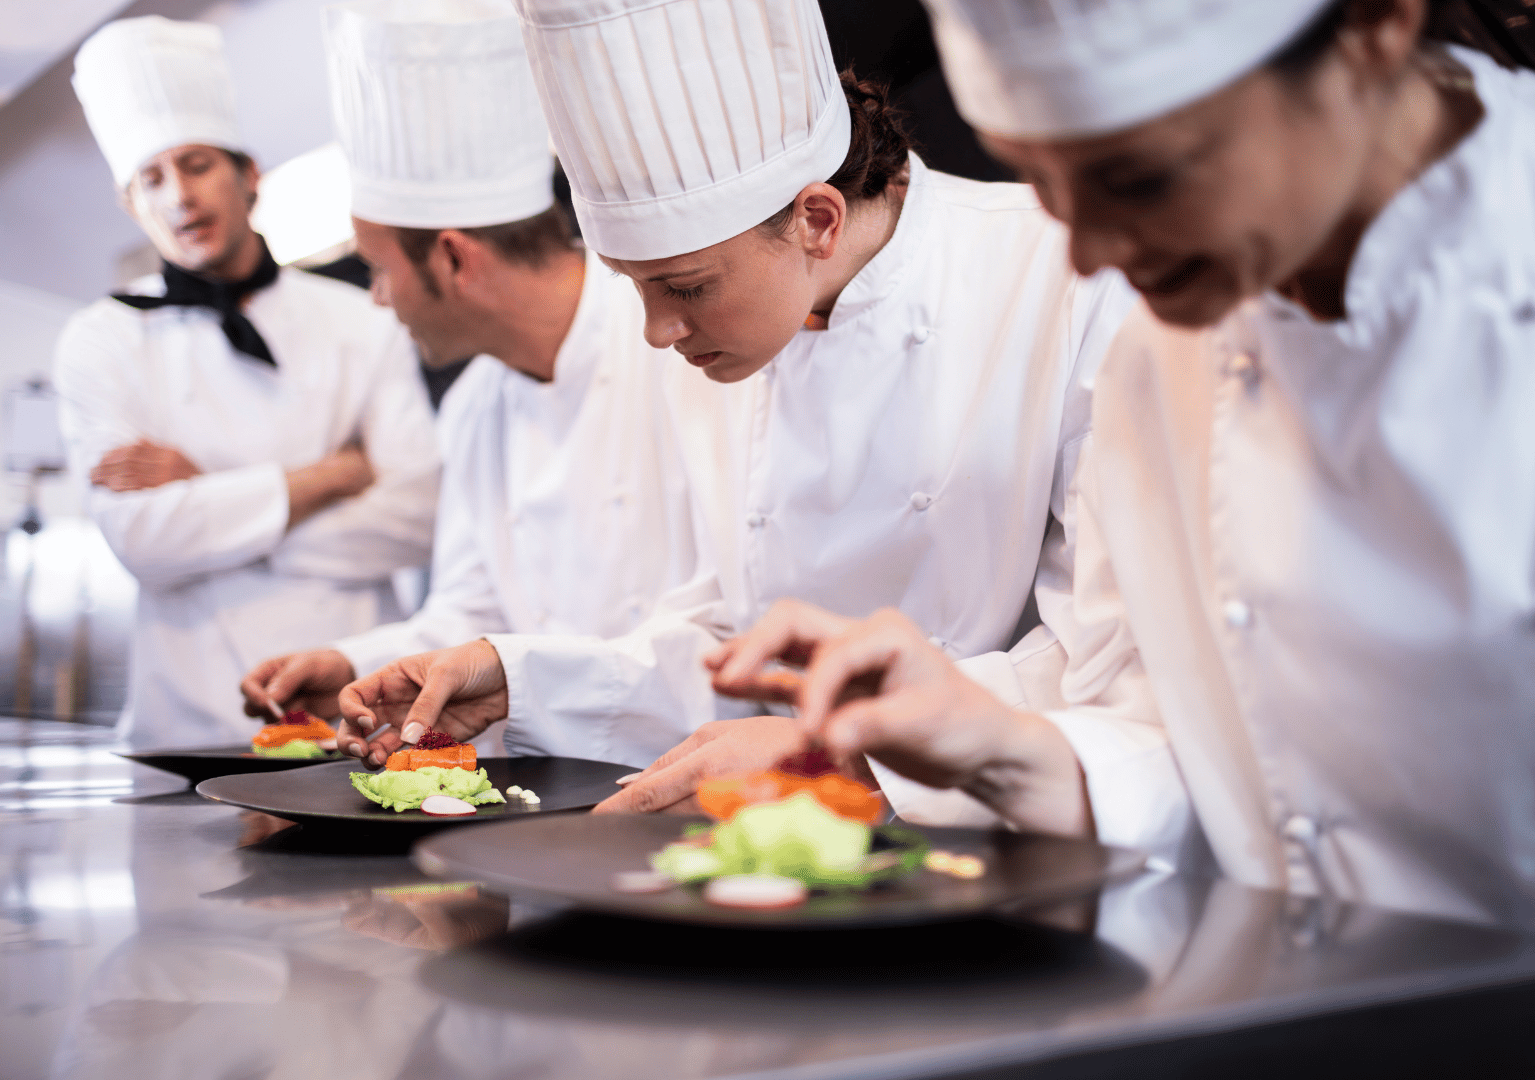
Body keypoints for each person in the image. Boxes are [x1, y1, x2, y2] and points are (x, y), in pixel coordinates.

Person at [712, 0, 1535, 930]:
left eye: (1140, 178)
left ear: (1374, 26)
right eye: (1040, 182)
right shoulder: (1161, 354)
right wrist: (995, 745)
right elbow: (1208, 763)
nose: (1091, 253)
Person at [335, 0, 1137, 814]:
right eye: (633, 287)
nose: (656, 333)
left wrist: (846, 748)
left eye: (684, 288)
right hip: (792, 833)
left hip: (1011, 835)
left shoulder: (1065, 280)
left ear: (816, 220)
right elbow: (736, 647)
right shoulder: (732, 340)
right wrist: (523, 678)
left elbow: (1106, 666)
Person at [237, 0, 713, 764]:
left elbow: (727, 623)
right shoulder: (473, 407)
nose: (377, 299)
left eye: (380, 269)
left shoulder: (687, 344)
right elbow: (467, 613)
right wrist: (352, 665)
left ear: (455, 259)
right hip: (538, 790)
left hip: (700, 778)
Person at [55, 16, 439, 749]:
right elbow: (141, 540)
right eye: (151, 179)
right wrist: (331, 477)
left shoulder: (363, 319)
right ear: (131, 204)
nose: (179, 196)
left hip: (354, 717)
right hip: (181, 728)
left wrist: (209, 495)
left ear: (249, 174)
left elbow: (417, 516)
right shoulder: (100, 336)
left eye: (196, 165)